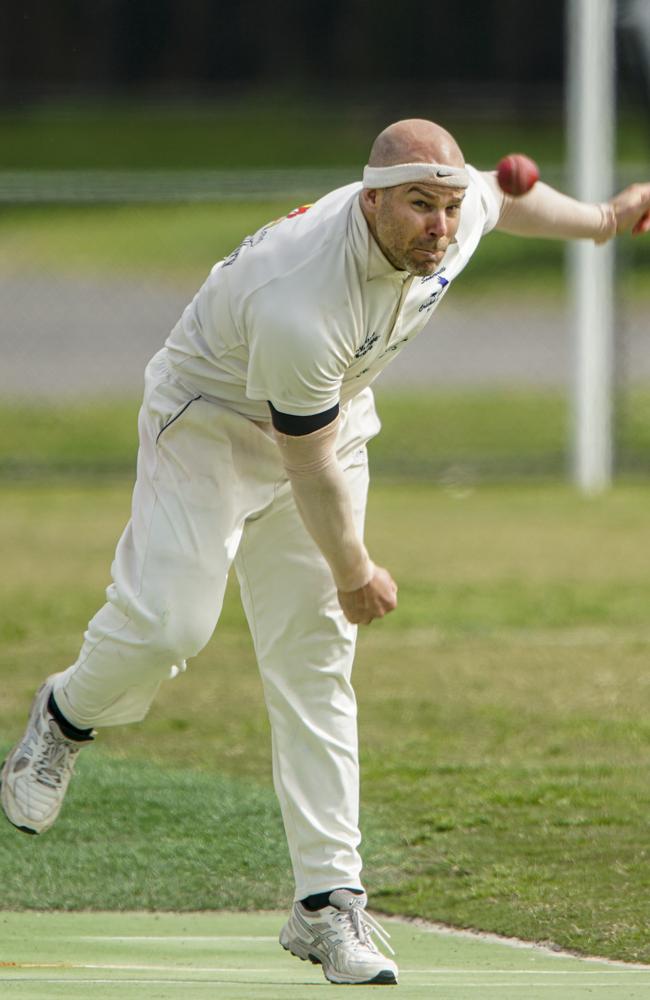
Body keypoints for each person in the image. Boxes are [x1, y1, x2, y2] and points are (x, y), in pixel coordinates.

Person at [2, 118, 649, 986]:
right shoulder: (302, 296)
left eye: (449, 207)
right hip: (212, 426)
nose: (441, 225)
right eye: (421, 205)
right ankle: (65, 717)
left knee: (314, 661)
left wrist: (605, 219)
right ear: (372, 200)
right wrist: (355, 569)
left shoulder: (450, 215)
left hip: (327, 432)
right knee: (169, 627)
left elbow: (508, 197)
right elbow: (298, 461)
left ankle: (327, 905)